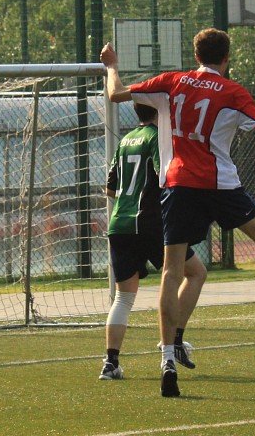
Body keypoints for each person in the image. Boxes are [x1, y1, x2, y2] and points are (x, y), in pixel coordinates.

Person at [101, 28, 255, 398]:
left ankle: (167, 357)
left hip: (178, 185)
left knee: (172, 271)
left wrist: (112, 66)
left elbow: (116, 94)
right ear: (226, 58)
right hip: (221, 185)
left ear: (196, 55)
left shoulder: (172, 82)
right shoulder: (233, 92)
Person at [99, 102, 207, 381]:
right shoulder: (157, 139)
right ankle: (173, 339)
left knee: (123, 297)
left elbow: (110, 189)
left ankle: (110, 363)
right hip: (151, 223)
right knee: (196, 273)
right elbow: (166, 179)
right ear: (160, 110)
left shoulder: (125, 140)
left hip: (119, 224)